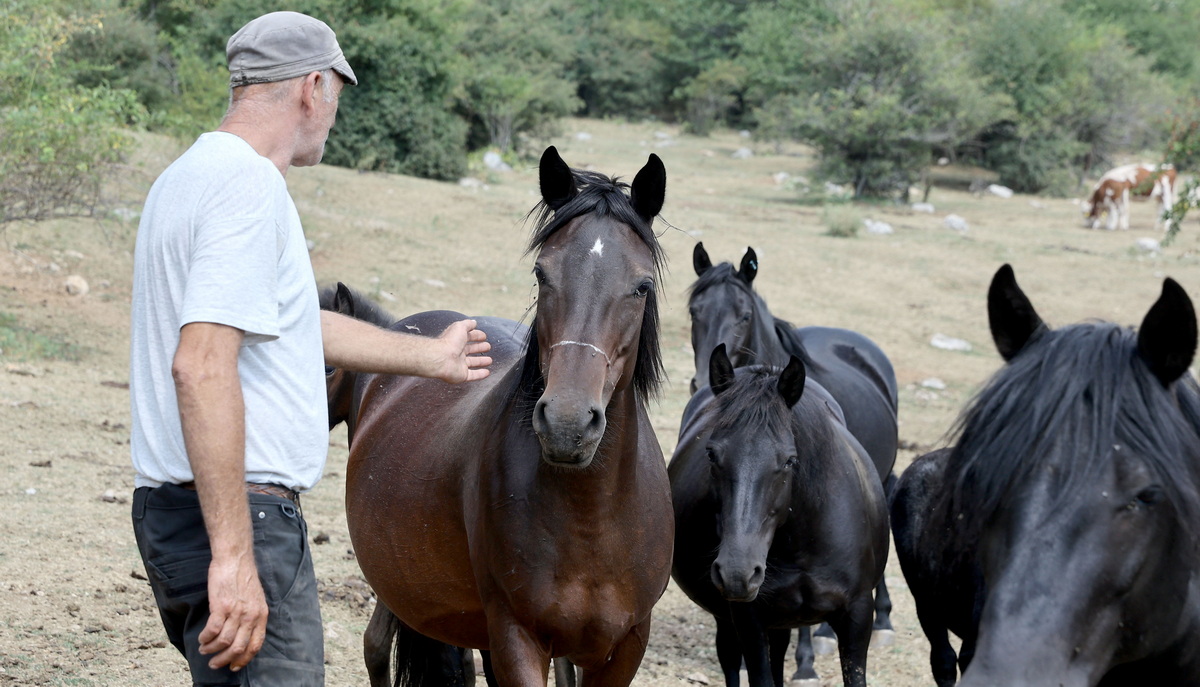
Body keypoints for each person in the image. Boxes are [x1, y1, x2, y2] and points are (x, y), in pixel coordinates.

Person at [127, 11, 492, 686]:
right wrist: (235, 556)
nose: (333, 114)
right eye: (337, 96)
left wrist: (429, 357)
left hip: (174, 514)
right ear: (313, 87)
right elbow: (201, 364)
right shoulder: (249, 186)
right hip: (240, 518)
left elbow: (286, 322)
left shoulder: (185, 176)